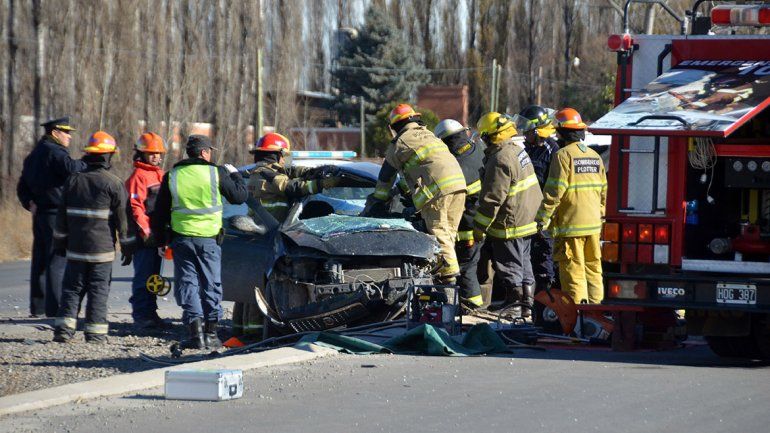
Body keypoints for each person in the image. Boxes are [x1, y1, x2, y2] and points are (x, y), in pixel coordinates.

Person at [234, 132, 343, 337]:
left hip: (261, 235)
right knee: (262, 285)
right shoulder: (268, 175)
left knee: (251, 286)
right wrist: (321, 184)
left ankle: (243, 333)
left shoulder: (261, 172)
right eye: (283, 155)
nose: (285, 159)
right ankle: (255, 336)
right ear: (277, 154)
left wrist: (315, 171)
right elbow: (292, 187)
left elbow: (291, 172)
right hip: (268, 237)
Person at [152, 135, 248, 349]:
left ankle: (195, 334)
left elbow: (159, 213)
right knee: (211, 283)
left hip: (182, 238)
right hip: (209, 239)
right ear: (204, 152)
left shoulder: (173, 175)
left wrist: (160, 240)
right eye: (210, 151)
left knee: (187, 284)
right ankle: (211, 334)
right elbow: (240, 197)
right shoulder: (217, 173)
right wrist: (236, 176)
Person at [367, 104, 466, 285]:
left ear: (395, 126)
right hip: (459, 187)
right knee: (448, 235)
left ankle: (448, 281)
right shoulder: (430, 136)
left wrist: (375, 204)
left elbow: (385, 180)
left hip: (438, 191)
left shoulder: (400, 143)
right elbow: (419, 169)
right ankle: (446, 279)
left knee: (439, 232)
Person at [53, 131, 135, 343]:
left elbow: (61, 218)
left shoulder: (73, 181)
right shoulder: (113, 183)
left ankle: (63, 330)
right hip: (102, 252)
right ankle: (96, 335)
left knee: (72, 289)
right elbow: (123, 222)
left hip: (76, 249)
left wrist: (60, 243)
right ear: (109, 156)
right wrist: (127, 248)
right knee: (98, 291)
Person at [473, 112, 543, 317]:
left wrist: (479, 227)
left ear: (490, 136)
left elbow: (492, 198)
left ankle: (514, 308)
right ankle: (527, 306)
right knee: (524, 263)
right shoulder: (517, 150)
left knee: (511, 266)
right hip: (528, 219)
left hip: (511, 223)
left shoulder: (500, 158)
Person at [535, 108, 607, 305]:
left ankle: (578, 317)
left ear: (561, 133)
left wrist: (541, 219)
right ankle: (596, 312)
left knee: (573, 271)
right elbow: (603, 191)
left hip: (571, 227)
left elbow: (553, 192)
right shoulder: (595, 156)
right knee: (593, 269)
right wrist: (600, 217)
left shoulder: (563, 155)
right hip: (593, 225)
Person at [17, 117, 87, 317]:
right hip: (56, 213)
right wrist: (89, 160)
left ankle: (38, 307)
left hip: (40, 213)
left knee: (40, 260)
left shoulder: (33, 155)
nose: (70, 137)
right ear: (55, 132)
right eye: (66, 132)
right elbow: (72, 169)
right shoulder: (55, 151)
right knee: (57, 260)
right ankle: (55, 309)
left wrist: (28, 202)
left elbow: (22, 186)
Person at [434, 119, 485, 308]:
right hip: (485, 222)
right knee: (478, 265)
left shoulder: (457, 166)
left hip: (468, 227)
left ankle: (472, 304)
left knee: (466, 267)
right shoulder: (478, 150)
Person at [125, 132, 169, 329]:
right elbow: (136, 207)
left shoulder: (158, 174)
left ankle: (151, 312)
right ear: (141, 154)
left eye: (158, 153)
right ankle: (142, 315)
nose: (156, 157)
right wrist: (147, 232)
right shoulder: (138, 177)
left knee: (153, 277)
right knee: (144, 276)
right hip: (145, 238)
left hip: (157, 235)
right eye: (151, 153)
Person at [519, 105, 560, 312]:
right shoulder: (528, 149)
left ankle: (548, 306)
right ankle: (536, 305)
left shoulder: (553, 150)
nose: (524, 133)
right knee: (534, 260)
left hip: (547, 217)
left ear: (537, 129)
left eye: (527, 129)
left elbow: (555, 189)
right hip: (531, 215)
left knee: (546, 260)